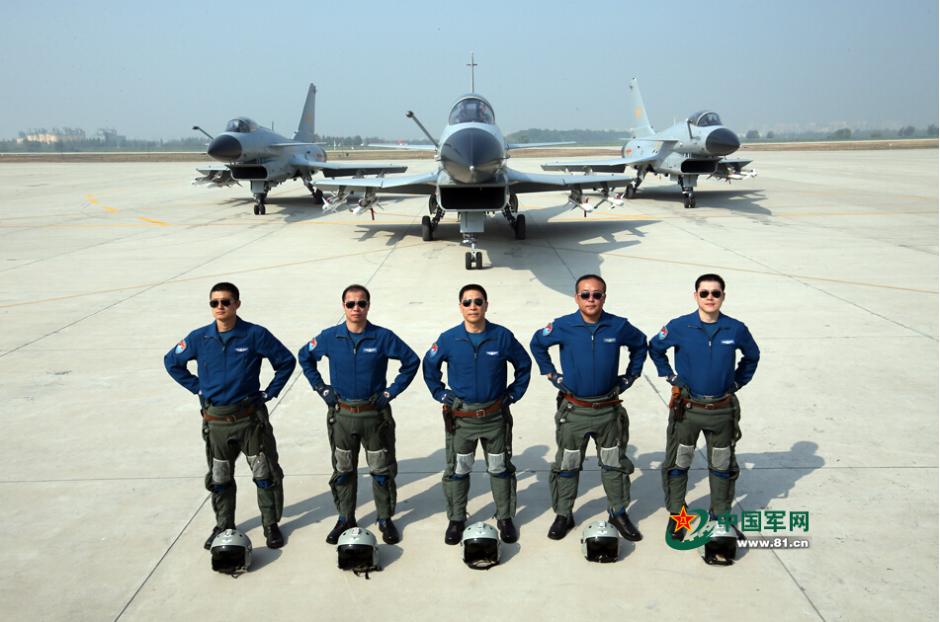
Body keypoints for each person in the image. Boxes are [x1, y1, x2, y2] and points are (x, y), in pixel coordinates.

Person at [164, 282, 295, 550]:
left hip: (250, 420)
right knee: (220, 478)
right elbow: (172, 361)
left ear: (237, 303)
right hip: (217, 422)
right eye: (215, 303)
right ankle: (224, 524)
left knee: (265, 474)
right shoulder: (199, 338)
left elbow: (286, 361)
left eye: (226, 302)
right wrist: (197, 387)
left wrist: (270, 392)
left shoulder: (255, 334)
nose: (220, 307)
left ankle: (270, 524)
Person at [529, 274, 647, 542]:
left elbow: (640, 345)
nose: (591, 299)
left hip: (608, 411)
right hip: (575, 412)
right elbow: (537, 344)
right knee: (568, 465)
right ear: (576, 297)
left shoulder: (617, 326)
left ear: (604, 297)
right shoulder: (562, 326)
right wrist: (551, 374)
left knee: (613, 465)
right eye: (585, 294)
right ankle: (564, 513)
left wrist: (631, 376)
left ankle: (618, 512)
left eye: (596, 294)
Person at [298, 284, 419, 545]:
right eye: (350, 304)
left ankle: (385, 518)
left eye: (361, 303)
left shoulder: (382, 337)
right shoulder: (330, 337)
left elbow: (411, 361)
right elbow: (304, 356)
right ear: (343, 306)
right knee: (343, 470)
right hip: (342, 415)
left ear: (368, 306)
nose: (356, 309)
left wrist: (390, 393)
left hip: (374, 416)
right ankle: (345, 517)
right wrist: (321, 388)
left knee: (381, 470)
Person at [648, 273, 760, 540]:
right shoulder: (680, 326)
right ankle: (678, 516)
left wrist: (737, 382)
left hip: (721, 410)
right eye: (705, 293)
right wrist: (670, 375)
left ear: (723, 296)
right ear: (695, 295)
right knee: (678, 463)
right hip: (687, 410)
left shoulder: (735, 329)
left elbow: (752, 356)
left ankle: (720, 516)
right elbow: (655, 348)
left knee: (722, 466)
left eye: (716, 293)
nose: (710, 298)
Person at [423, 284, 531, 545]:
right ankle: (457, 518)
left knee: (500, 468)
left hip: (495, 418)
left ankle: (505, 517)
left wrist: (513, 394)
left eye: (478, 301)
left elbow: (524, 365)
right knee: (458, 470)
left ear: (486, 305)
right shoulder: (449, 339)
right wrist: (439, 392)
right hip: (462, 419)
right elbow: (430, 366)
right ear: (460, 307)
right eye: (468, 302)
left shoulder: (501, 336)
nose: (473, 306)